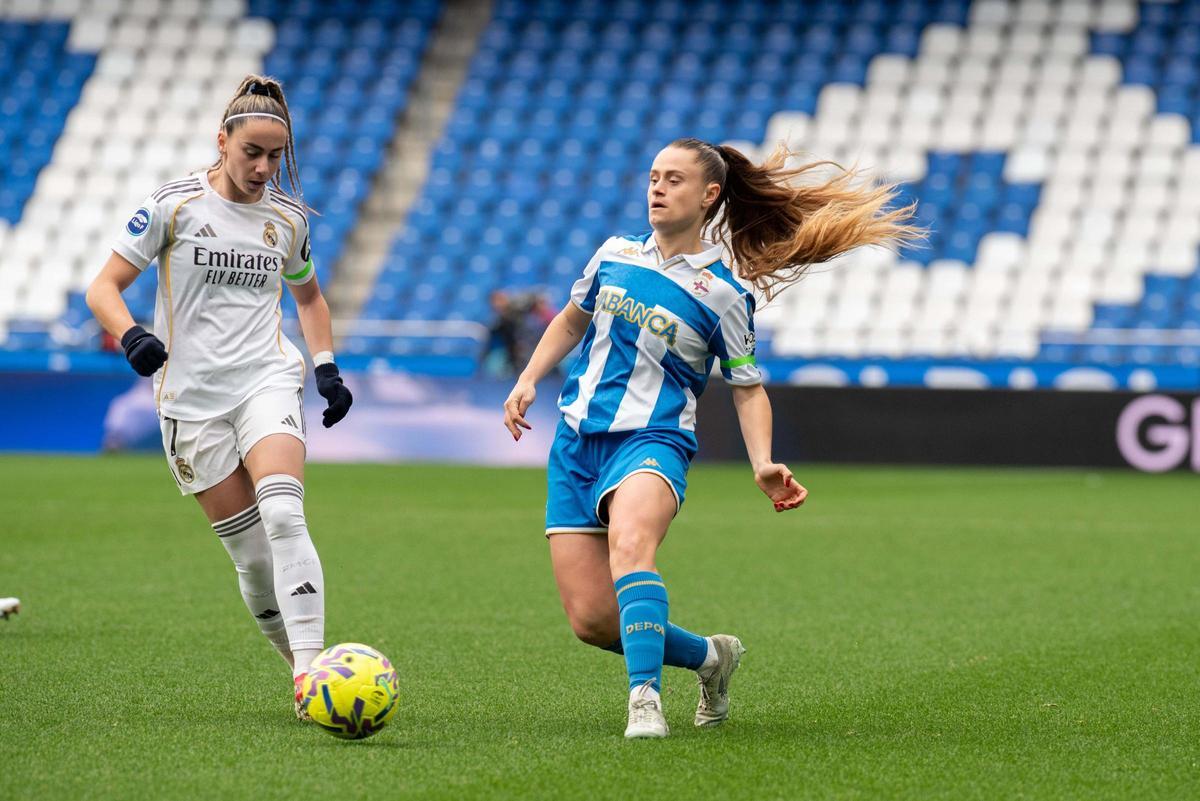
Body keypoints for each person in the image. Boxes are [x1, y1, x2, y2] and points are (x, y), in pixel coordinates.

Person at [503, 138, 921, 738]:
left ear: (709, 195)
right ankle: (711, 658)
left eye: (673, 179)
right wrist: (527, 380)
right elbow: (571, 319)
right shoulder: (614, 254)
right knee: (593, 620)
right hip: (574, 444)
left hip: (653, 441)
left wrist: (763, 462)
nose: (657, 187)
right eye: (653, 176)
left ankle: (644, 700)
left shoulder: (724, 293)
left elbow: (748, 387)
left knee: (631, 551)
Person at [86, 75, 352, 720]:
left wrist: (325, 367)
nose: (264, 169)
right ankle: (299, 666)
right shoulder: (174, 206)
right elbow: (103, 286)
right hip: (190, 403)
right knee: (254, 558)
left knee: (285, 516)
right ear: (222, 141)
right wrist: (132, 337)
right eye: (251, 153)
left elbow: (309, 297)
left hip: (266, 379)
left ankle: (313, 674)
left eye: (275, 157)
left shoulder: (286, 221)